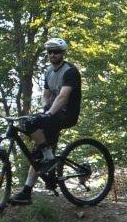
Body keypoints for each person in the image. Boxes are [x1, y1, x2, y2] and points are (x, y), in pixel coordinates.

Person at [12, 36, 82, 203]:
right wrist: (45, 109)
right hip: (53, 113)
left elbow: (63, 97)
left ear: (63, 53)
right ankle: (27, 192)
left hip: (67, 114)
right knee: (37, 153)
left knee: (32, 126)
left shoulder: (70, 71)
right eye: (50, 52)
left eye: (56, 52)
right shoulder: (48, 72)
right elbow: (47, 95)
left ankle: (49, 156)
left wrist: (48, 114)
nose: (52, 55)